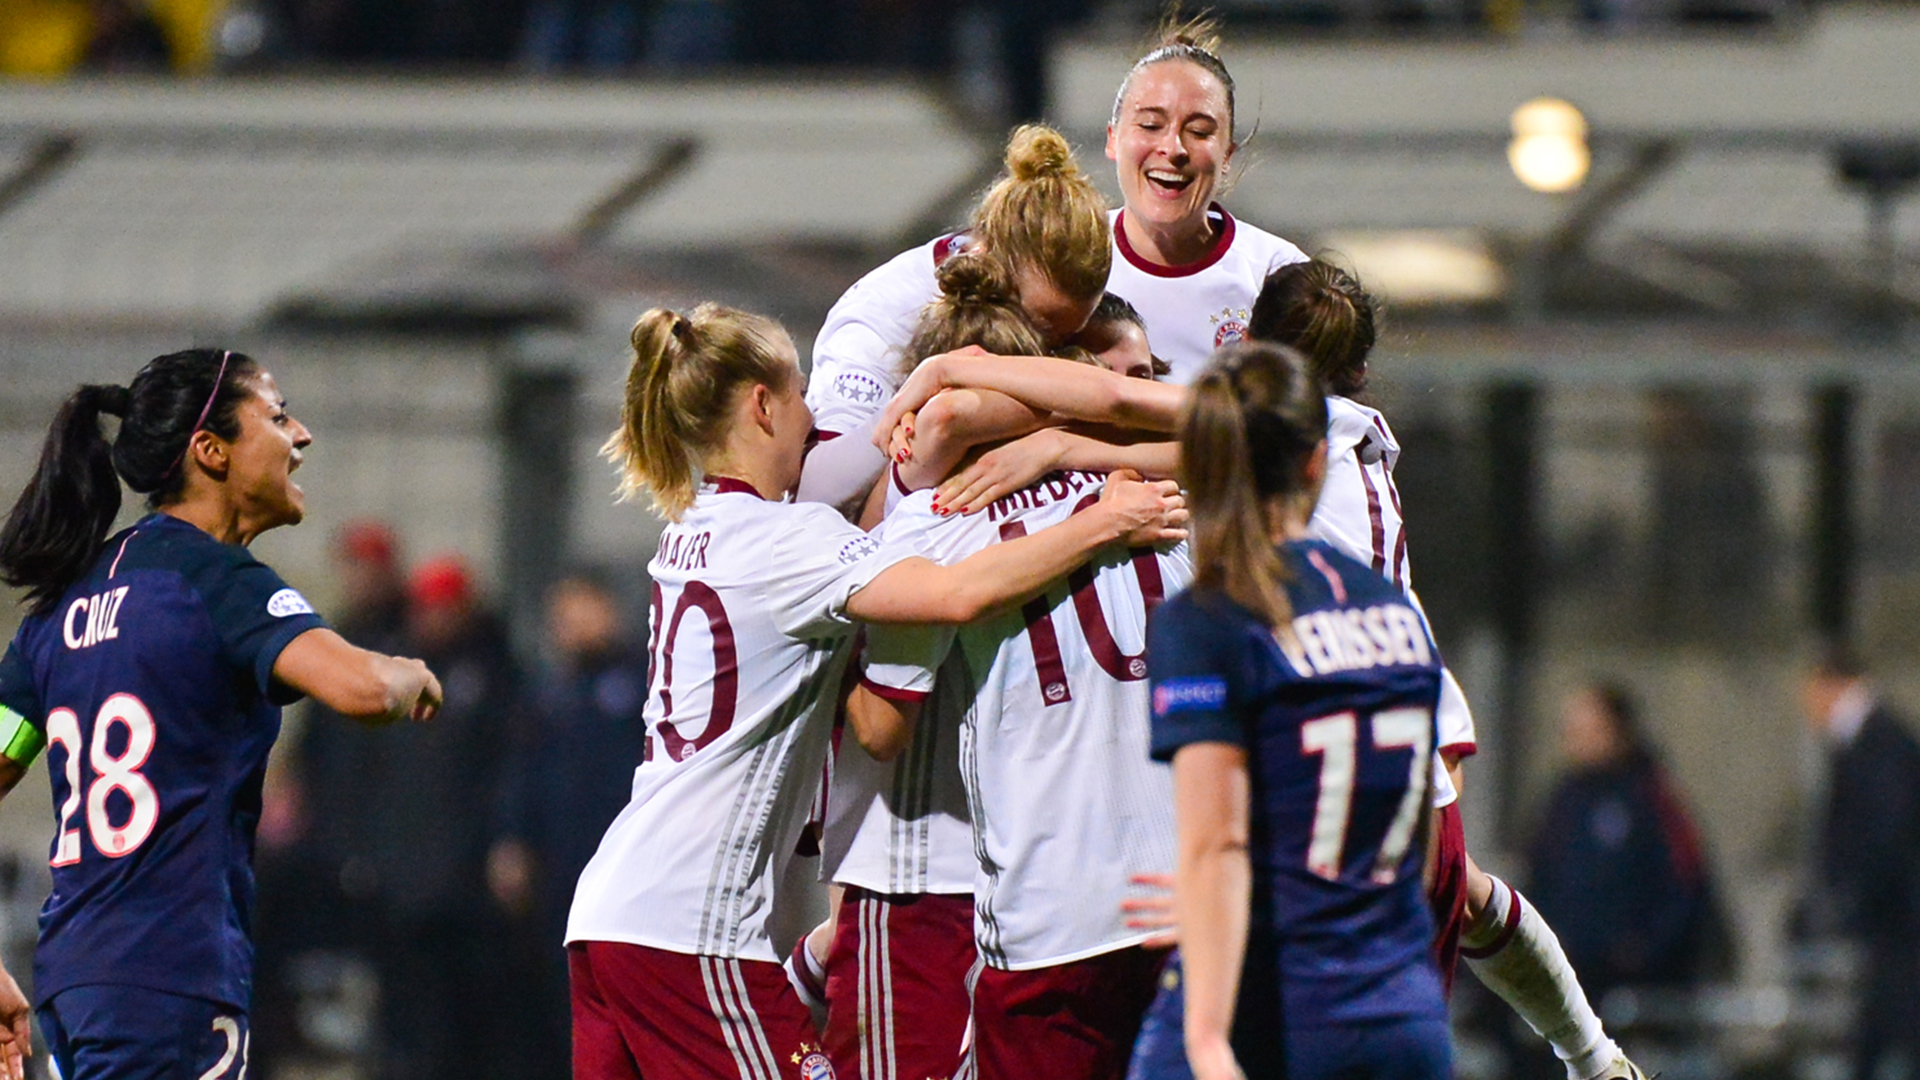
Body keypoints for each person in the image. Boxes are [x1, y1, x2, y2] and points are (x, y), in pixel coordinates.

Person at [564, 303, 1186, 1080]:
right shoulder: (791, 542)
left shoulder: (691, 531)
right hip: (695, 927)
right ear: (762, 406)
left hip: (607, 914)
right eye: (799, 393)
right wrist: (1104, 521)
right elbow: (954, 595)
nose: (814, 415)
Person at [0, 348, 441, 1080]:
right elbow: (362, 691)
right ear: (210, 451)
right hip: (170, 978)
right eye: (275, 416)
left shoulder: (59, 611)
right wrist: (410, 670)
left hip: (76, 979)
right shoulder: (216, 582)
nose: (302, 435)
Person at [850, 362, 1194, 1078]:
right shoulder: (1171, 486)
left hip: (1054, 913)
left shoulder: (937, 520)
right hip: (1192, 897)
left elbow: (881, 731)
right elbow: (1269, 433)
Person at [1139, 341, 1449, 1080]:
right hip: (1404, 1014)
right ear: (1316, 462)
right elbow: (1422, 839)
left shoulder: (1212, 618)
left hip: (1277, 1012)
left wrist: (1209, 1043)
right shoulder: (1395, 612)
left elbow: (1219, 842)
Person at [797, 123, 1113, 513]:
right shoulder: (881, 315)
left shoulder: (1064, 281)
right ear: (985, 259)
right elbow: (815, 489)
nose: (1049, 350)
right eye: (1042, 331)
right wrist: (911, 412)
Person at [490, 569, 649, 1079]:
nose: (569, 622)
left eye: (579, 607)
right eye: (560, 612)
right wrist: (512, 840)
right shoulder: (548, 691)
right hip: (561, 872)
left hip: (628, 873)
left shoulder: (644, 681)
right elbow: (523, 772)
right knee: (567, 1007)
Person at [1099, 11, 1307, 384]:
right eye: (1150, 125)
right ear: (1113, 138)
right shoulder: (1059, 253)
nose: (1173, 147)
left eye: (1199, 131)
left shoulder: (1278, 274)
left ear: (1227, 154)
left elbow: (1311, 420)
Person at [1526, 683, 1719, 1005]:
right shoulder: (1563, 800)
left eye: (1590, 729)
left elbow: (1685, 888)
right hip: (1565, 963)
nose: (1577, 739)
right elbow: (1538, 875)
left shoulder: (1651, 797)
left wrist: (1640, 951)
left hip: (1629, 975)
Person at [1799, 646, 1920, 1080]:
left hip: (1898, 925)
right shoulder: (1873, 742)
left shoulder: (1878, 745)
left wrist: (1850, 898)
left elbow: (1887, 835)